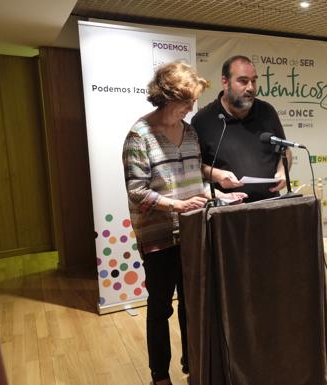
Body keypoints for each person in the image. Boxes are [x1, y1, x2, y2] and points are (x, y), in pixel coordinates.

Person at [122, 61, 245, 385]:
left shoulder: (189, 132)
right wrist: (177, 205)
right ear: (166, 96)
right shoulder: (140, 136)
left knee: (194, 304)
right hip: (159, 237)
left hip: (193, 232)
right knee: (161, 307)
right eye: (186, 101)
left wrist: (219, 188)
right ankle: (160, 376)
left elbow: (195, 170)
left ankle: (195, 364)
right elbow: (137, 191)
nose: (192, 108)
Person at [191, 55, 291, 202]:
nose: (250, 88)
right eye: (243, 81)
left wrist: (283, 171)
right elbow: (194, 167)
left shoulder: (267, 111)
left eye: (254, 81)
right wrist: (216, 174)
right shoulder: (203, 120)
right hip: (228, 211)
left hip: (270, 205)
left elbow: (286, 151)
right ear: (225, 82)